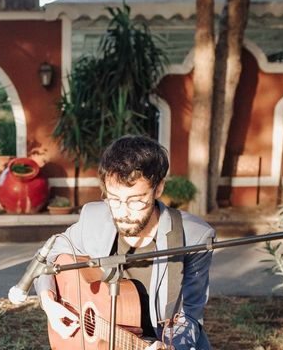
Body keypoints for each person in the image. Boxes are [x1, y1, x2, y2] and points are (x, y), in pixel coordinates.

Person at [35, 135, 215, 350]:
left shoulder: (193, 237)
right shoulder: (94, 217)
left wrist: (173, 346)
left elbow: (190, 318)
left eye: (136, 201)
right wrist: (49, 303)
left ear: (158, 189)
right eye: (114, 199)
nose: (123, 212)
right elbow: (47, 258)